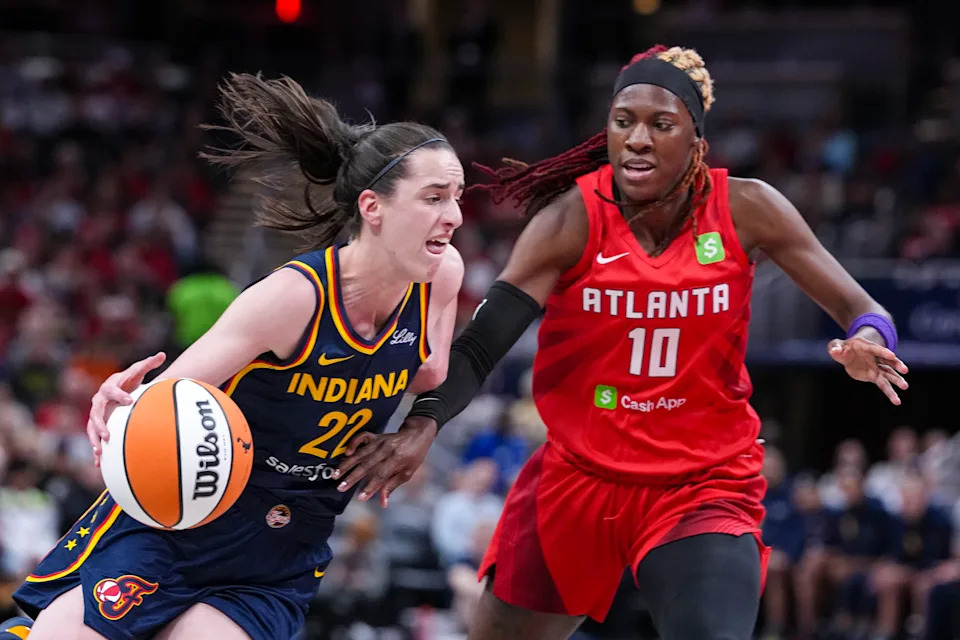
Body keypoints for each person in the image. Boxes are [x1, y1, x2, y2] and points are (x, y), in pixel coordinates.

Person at [333, 45, 910, 640]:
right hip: (578, 480)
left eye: (661, 124)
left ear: (696, 139)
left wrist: (867, 338)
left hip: (702, 483)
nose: (637, 139)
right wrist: (423, 425)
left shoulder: (749, 208)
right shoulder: (569, 221)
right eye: (623, 121)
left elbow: (863, 308)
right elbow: (481, 346)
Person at [8, 73, 464, 640]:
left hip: (283, 545)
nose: (454, 216)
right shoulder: (293, 298)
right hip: (183, 518)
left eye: (457, 196)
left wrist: (417, 429)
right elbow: (163, 398)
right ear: (372, 207)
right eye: (434, 198)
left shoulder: (441, 275)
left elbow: (432, 370)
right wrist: (123, 402)